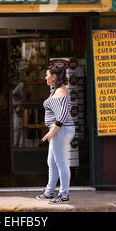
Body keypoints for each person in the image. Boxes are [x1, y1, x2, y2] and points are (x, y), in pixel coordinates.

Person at [36, 64, 75, 204]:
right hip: (58, 130)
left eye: (47, 75)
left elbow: (63, 116)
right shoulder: (56, 90)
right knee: (52, 162)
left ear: (53, 77)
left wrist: (51, 132)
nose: (45, 77)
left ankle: (64, 195)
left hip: (61, 131)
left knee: (61, 163)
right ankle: (49, 192)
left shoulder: (60, 92)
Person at [12, 82, 24, 148]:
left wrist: (20, 105)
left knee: (18, 126)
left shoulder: (20, 85)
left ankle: (19, 143)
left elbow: (23, 97)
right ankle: (17, 143)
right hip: (16, 108)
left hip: (18, 108)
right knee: (17, 126)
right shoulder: (19, 85)